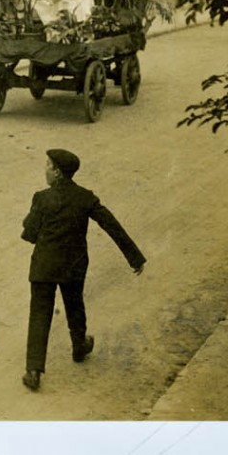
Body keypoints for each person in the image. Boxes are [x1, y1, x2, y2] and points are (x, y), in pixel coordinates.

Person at [21, 148, 146, 392]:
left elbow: (29, 235)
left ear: (57, 172)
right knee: (75, 305)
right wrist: (135, 258)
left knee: (39, 314)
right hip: (73, 264)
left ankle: (34, 371)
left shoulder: (41, 198)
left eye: (47, 165)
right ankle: (79, 346)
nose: (45, 169)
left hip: (44, 265)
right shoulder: (85, 198)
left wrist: (30, 225)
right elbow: (111, 225)